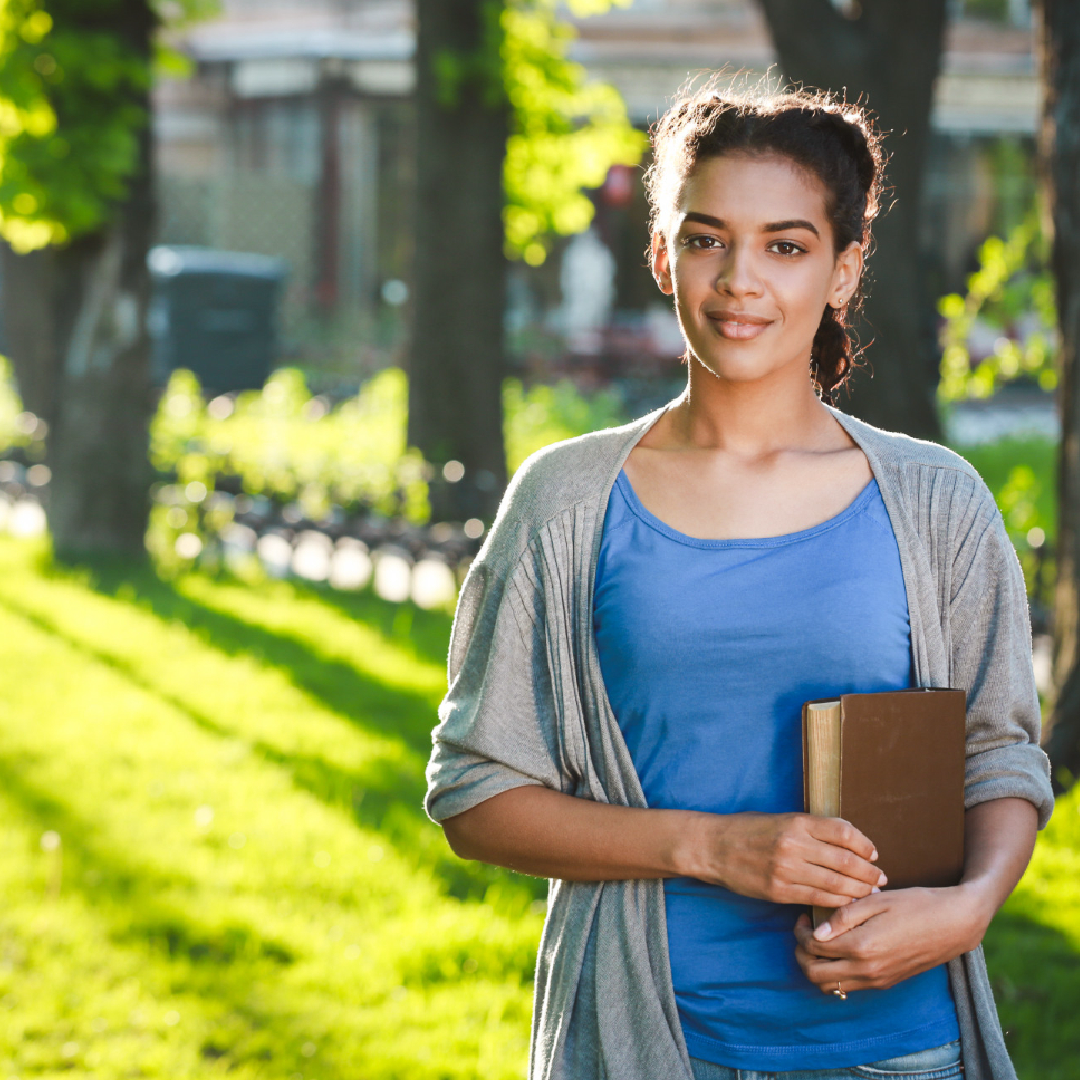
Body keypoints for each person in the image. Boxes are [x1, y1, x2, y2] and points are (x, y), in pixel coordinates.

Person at [424, 80, 1053, 1080]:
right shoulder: (567, 501)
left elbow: (1001, 755)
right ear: (663, 255)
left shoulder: (938, 503)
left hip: (894, 1049)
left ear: (844, 272)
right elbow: (474, 791)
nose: (739, 280)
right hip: (645, 1042)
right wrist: (714, 849)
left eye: (787, 246)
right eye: (708, 239)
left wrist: (965, 910)